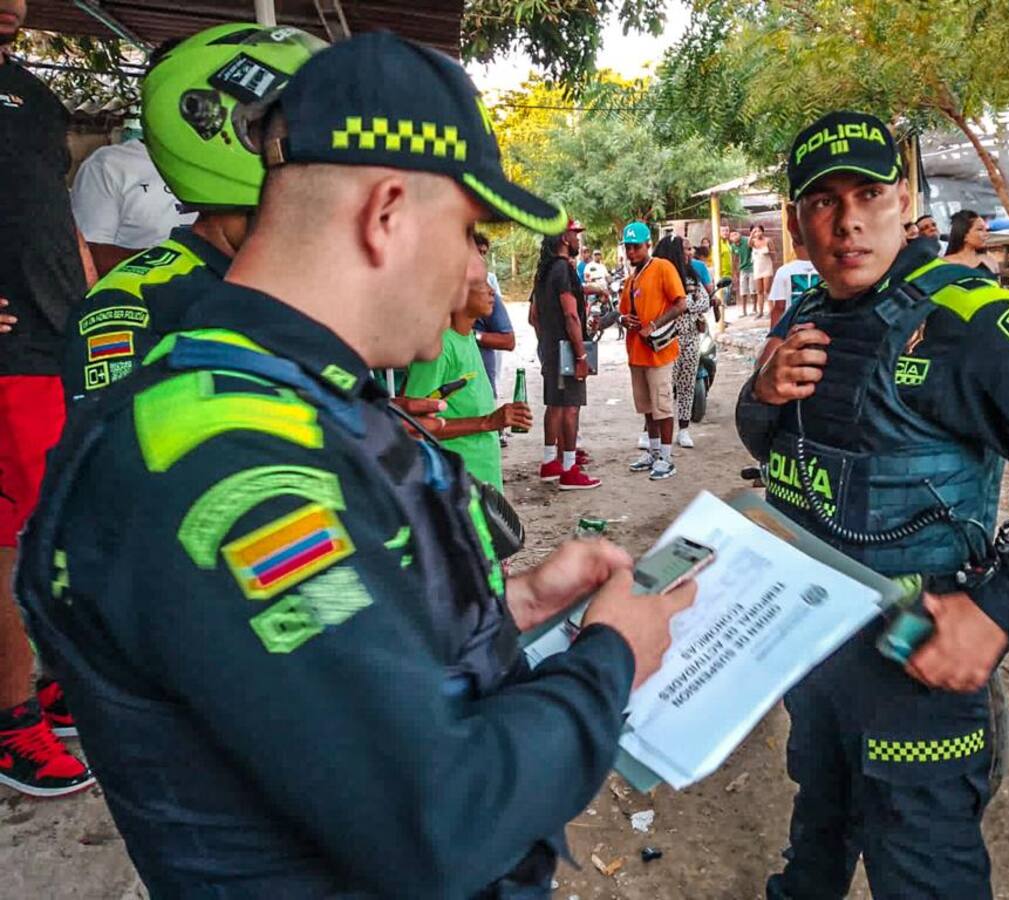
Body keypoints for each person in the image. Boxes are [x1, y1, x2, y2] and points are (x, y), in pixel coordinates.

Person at [17, 32, 697, 897]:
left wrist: (511, 607)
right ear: (385, 215)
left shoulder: (298, 394)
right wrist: (609, 660)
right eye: (468, 233)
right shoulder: (223, 454)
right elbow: (439, 819)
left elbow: (326, 660)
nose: (471, 283)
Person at [737, 110, 1009, 899]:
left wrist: (995, 611)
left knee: (920, 860)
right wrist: (760, 393)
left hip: (915, 664)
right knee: (819, 817)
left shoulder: (966, 321)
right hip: (814, 648)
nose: (848, 220)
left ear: (903, 200)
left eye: (869, 193)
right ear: (797, 220)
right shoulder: (810, 312)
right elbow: (777, 446)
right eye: (822, 201)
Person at [62, 23, 327, 404]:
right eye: (300, 130)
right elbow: (133, 450)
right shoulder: (132, 306)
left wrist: (365, 428)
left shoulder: (303, 284)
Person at [0, 0, 96, 798]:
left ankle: (56, 677)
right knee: (6, 544)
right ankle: (9, 719)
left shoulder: (33, 95)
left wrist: (89, 300)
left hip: (59, 341)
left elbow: (54, 214)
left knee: (60, 525)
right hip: (6, 353)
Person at [403, 249, 532, 489]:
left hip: (485, 481)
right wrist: (487, 422)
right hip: (457, 490)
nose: (492, 291)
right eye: (482, 283)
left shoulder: (467, 338)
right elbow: (413, 426)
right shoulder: (438, 348)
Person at [531, 220, 602, 490]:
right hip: (566, 350)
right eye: (575, 234)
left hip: (551, 347)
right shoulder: (563, 271)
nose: (578, 240)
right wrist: (581, 356)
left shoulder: (544, 272)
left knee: (555, 405)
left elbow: (535, 316)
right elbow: (571, 314)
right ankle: (570, 469)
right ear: (563, 237)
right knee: (571, 407)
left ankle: (551, 461)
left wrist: (547, 341)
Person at [70, 128, 197, 277]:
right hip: (141, 294)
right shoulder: (109, 164)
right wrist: (172, 263)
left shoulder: (224, 164)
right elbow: (90, 256)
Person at [620, 220, 688, 480]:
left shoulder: (662, 267)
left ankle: (667, 457)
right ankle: (653, 450)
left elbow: (681, 303)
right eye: (628, 248)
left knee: (662, 406)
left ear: (648, 244)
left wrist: (654, 324)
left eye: (636, 247)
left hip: (658, 351)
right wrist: (624, 319)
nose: (631, 253)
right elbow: (624, 311)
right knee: (646, 406)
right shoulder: (631, 278)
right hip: (636, 352)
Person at [672, 236, 714, 448]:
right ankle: (651, 431)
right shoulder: (667, 274)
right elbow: (666, 306)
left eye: (690, 249)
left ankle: (684, 429)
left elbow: (705, 301)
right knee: (664, 387)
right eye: (685, 249)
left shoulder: (693, 275)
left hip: (691, 338)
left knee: (686, 386)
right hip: (669, 340)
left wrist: (685, 305)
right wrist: (687, 303)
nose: (689, 253)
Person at [470, 231, 515, 397]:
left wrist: (473, 336)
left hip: (482, 387)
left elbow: (508, 341)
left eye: (483, 253)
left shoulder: (489, 291)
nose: (481, 258)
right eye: (477, 252)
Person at [766, 229, 820, 329]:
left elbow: (779, 308)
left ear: (793, 244)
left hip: (793, 330)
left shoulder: (784, 271)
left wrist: (773, 338)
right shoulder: (827, 269)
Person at [942, 208, 999, 274]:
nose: (986, 234)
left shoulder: (989, 261)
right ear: (964, 235)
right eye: (980, 229)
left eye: (986, 230)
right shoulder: (945, 264)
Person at [750, 224, 775, 318]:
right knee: (759, 291)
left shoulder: (768, 240)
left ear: (763, 231)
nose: (757, 233)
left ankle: (771, 310)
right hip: (757, 268)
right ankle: (760, 312)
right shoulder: (753, 241)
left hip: (767, 267)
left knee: (767, 290)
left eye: (759, 231)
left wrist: (768, 252)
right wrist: (752, 235)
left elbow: (774, 252)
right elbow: (749, 244)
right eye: (755, 231)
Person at [728, 226, 754, 316]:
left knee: (752, 289)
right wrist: (734, 273)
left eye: (735, 234)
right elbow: (734, 259)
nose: (734, 236)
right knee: (743, 291)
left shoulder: (747, 240)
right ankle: (744, 311)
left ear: (739, 234)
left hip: (752, 268)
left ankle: (754, 308)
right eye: (732, 236)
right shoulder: (733, 246)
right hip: (742, 269)